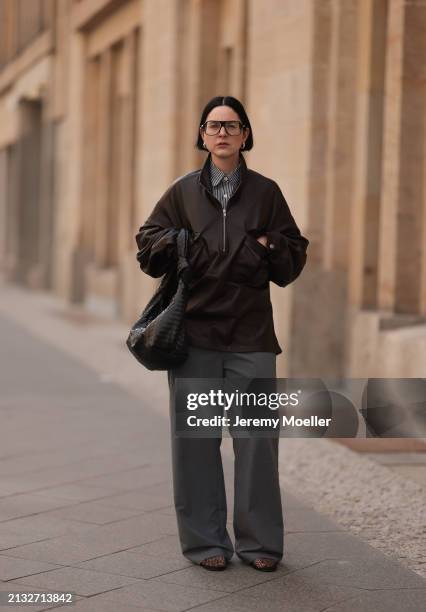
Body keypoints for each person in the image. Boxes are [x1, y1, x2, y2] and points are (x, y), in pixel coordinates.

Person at [135, 95, 309, 572]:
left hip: (252, 335)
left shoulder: (267, 192)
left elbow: (293, 256)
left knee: (256, 442)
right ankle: (204, 542)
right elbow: (147, 243)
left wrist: (266, 246)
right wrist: (178, 241)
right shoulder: (182, 192)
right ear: (203, 134)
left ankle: (260, 546)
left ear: (246, 134)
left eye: (232, 125)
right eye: (214, 125)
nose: (223, 132)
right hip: (195, 335)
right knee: (196, 443)